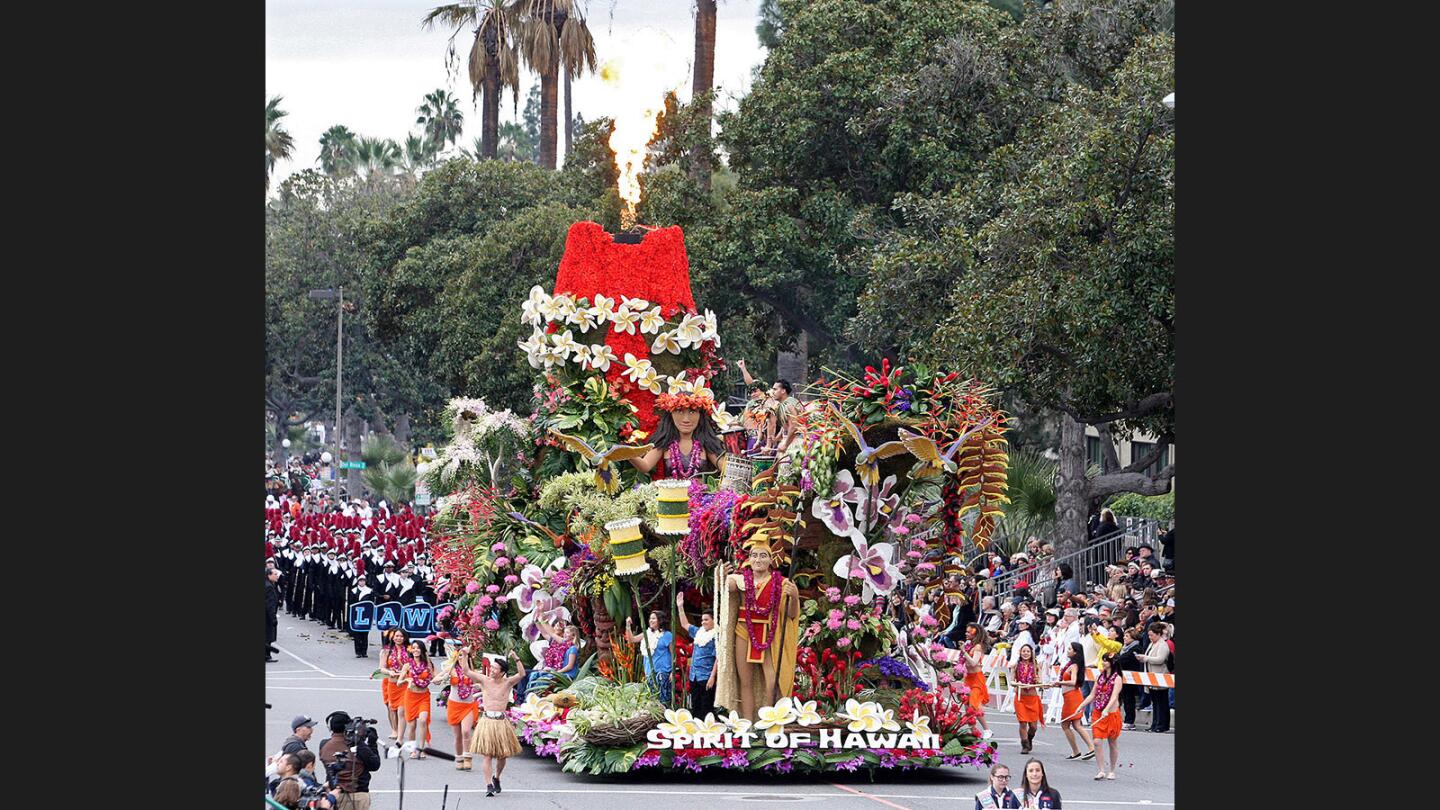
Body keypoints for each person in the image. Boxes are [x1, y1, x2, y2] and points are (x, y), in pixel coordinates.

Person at [716, 534, 801, 721]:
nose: (758, 559)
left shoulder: (781, 583)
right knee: (744, 681)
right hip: (743, 631)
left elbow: (792, 615)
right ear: (749, 559)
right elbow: (726, 587)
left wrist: (794, 596)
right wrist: (721, 576)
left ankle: (769, 720)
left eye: (763, 555)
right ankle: (748, 723)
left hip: (768, 635)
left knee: (772, 680)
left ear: (771, 560)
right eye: (754, 555)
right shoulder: (740, 580)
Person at [626, 389, 727, 480]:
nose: (686, 419)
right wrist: (625, 452)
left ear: (700, 416)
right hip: (670, 497)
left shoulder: (706, 442)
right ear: (671, 415)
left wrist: (736, 443)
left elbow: (726, 470)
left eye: (692, 412)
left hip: (701, 498)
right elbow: (645, 466)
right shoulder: (665, 442)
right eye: (679, 411)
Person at [468, 651, 527, 797]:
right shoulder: (484, 680)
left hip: (501, 722)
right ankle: (488, 784)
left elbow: (522, 674)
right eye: (492, 667)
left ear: (502, 673)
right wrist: (463, 655)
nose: (492, 670)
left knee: (502, 755)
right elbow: (466, 671)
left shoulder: (508, 683)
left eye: (495, 668)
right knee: (487, 755)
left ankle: (497, 777)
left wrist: (516, 658)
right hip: (487, 721)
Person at [1072, 652, 1122, 780]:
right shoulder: (1100, 676)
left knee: (1112, 742)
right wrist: (1081, 705)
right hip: (1098, 712)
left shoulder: (1117, 678)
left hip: (1111, 714)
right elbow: (1092, 694)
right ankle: (1101, 770)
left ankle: (1112, 770)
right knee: (1097, 741)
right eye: (1103, 660)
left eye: (1105, 661)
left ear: (1112, 663)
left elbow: (1114, 696)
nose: (1103, 663)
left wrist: (1106, 709)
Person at [318, 711, 382, 810]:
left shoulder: (324, 745)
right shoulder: (356, 745)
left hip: (335, 796)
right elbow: (374, 765)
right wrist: (372, 744)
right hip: (358, 795)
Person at [434, 645, 481, 772]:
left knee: (466, 731)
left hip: (468, 705)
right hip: (454, 705)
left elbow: (483, 683)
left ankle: (468, 757)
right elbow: (435, 679)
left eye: (464, 655)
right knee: (457, 736)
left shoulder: (472, 671)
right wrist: (443, 678)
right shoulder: (451, 669)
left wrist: (478, 686)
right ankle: (459, 758)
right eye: (459, 655)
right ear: (456, 657)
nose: (461, 658)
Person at [676, 591, 718, 719]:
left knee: (706, 707)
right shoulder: (699, 632)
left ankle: (708, 732)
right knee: (696, 705)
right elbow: (685, 624)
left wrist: (712, 677)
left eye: (706, 620)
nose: (703, 622)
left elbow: (718, 658)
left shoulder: (716, 635)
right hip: (694, 676)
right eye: (702, 620)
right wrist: (680, 606)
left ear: (713, 620)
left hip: (706, 677)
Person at [1054, 642, 1095, 760]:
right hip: (1069, 696)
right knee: (1073, 724)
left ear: (1075, 652)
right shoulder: (1071, 665)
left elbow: (1073, 682)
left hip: (1072, 697)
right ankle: (1080, 750)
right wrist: (1056, 685)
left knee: (1068, 724)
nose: (1068, 650)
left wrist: (1060, 682)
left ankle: (1087, 748)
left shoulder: (1074, 666)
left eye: (1070, 649)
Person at [624, 610, 675, 704]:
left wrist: (673, 671)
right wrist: (628, 626)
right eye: (650, 618)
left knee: (663, 700)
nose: (651, 620)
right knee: (652, 700)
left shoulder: (667, 635)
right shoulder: (646, 634)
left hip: (663, 672)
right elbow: (632, 640)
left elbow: (673, 654)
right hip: (649, 672)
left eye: (654, 618)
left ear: (660, 620)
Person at [398, 641, 435, 758]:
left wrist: (443, 678)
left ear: (422, 650)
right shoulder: (407, 665)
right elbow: (399, 682)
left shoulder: (427, 664)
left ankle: (422, 749)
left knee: (423, 720)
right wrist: (406, 680)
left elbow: (435, 677)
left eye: (418, 648)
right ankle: (413, 749)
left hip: (424, 697)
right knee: (412, 725)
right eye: (413, 648)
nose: (416, 650)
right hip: (411, 697)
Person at [1134, 622, 1173, 732]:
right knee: (1155, 702)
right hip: (1151, 677)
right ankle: (1155, 724)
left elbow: (1160, 659)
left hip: (1160, 677)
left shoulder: (1163, 645)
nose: (1150, 637)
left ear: (1158, 634)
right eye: (1149, 635)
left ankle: (1162, 725)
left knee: (1162, 702)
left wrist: (1145, 658)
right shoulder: (1153, 644)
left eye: (1152, 635)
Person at [1009, 642, 1044, 754]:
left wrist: (1038, 682)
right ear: (1020, 652)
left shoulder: (1036, 666)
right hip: (1020, 698)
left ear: (1031, 653)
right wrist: (1017, 683)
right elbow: (1012, 681)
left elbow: (1040, 681)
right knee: (1023, 722)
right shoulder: (1015, 665)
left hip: (1033, 698)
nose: (1026, 653)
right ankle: (1024, 744)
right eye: (1024, 651)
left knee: (1033, 726)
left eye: (1028, 651)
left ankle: (1029, 739)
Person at [962, 623, 993, 740]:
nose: (966, 634)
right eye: (966, 631)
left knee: (974, 704)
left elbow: (974, 662)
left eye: (969, 632)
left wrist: (964, 652)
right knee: (966, 706)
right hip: (968, 678)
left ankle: (987, 729)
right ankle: (974, 732)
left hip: (976, 678)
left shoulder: (978, 647)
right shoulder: (969, 645)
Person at [1115, 627, 1145, 729]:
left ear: (1133, 638)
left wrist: (1116, 659)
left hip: (1132, 678)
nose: (1124, 638)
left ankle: (1130, 721)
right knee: (1124, 699)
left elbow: (1123, 659)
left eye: (1127, 636)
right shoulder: (1124, 648)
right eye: (1124, 636)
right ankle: (1121, 719)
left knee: (1129, 700)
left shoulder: (1136, 648)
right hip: (1122, 677)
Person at [765, 379, 799, 453]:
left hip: (796, 442)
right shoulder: (782, 405)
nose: (772, 392)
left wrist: (785, 445)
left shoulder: (789, 405)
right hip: (789, 440)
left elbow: (794, 426)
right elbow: (786, 426)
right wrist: (777, 439)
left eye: (775, 389)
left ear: (783, 391)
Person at [266, 566, 282, 663]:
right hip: (267, 615)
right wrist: (273, 618)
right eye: (275, 574)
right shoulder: (268, 587)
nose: (277, 576)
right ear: (269, 575)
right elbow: (269, 605)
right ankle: (267, 655)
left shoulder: (269, 585)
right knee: (268, 636)